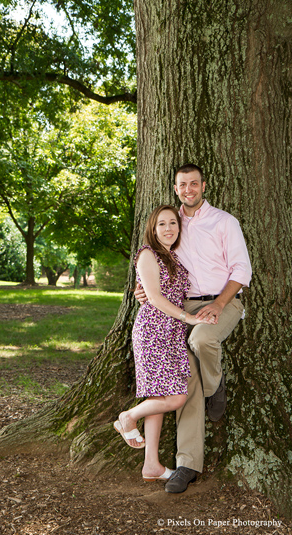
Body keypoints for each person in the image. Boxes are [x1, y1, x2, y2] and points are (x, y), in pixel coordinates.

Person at [135, 164, 252, 493]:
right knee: (185, 377)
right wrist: (141, 289)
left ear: (203, 185)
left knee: (202, 340)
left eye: (194, 184)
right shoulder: (172, 223)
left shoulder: (224, 222)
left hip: (224, 301)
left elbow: (242, 270)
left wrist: (217, 305)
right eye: (182, 185)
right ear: (176, 188)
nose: (189, 189)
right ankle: (187, 463)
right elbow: (153, 260)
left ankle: (216, 386)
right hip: (183, 307)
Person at [114, 205, 214, 481]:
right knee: (176, 397)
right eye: (162, 224)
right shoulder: (148, 253)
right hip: (153, 331)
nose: (168, 228)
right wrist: (188, 318)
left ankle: (151, 465)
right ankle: (128, 417)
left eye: (173, 223)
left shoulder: (173, 257)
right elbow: (156, 298)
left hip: (171, 334)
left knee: (158, 396)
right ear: (152, 229)